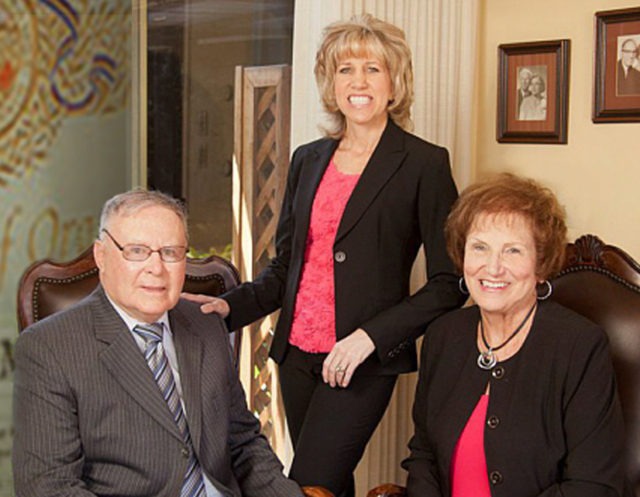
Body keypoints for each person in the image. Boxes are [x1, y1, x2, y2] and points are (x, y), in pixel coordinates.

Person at [184, 13, 464, 497]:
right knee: (331, 485)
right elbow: (287, 266)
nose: (358, 82)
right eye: (345, 69)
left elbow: (449, 282)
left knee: (307, 484)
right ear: (331, 84)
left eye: (373, 69)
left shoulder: (424, 163)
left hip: (360, 359)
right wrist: (230, 307)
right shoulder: (308, 159)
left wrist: (370, 338)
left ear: (395, 84)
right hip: (295, 356)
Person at [12, 189, 305, 497]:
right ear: (102, 255)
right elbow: (48, 487)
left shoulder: (206, 325)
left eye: (171, 252)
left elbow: (243, 444)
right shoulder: (49, 347)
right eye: (137, 251)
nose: (157, 268)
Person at [402, 173, 630, 497]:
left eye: (512, 251)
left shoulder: (579, 347)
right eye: (480, 247)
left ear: (541, 265)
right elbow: (424, 455)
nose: (492, 268)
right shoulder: (443, 336)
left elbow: (592, 485)